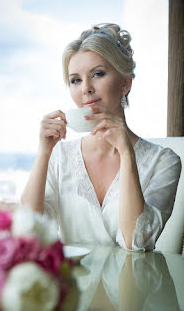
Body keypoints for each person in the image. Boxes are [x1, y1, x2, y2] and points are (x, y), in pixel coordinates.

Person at [21, 23, 181, 251]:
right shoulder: (60, 156)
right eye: (76, 80)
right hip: (71, 284)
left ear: (125, 82)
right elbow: (28, 230)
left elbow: (136, 242)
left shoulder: (165, 162)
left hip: (133, 286)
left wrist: (126, 153)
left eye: (97, 74)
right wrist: (44, 152)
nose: (85, 88)